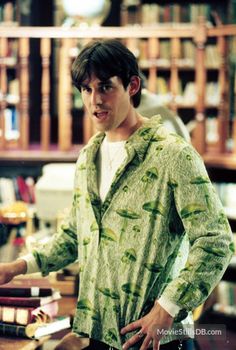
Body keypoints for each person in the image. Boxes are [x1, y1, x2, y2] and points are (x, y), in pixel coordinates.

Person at [0, 39, 234, 350]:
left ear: (132, 85)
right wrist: (15, 267)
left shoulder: (174, 154)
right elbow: (73, 236)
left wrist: (167, 308)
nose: (94, 100)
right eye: (86, 89)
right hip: (99, 337)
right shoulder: (87, 158)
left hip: (158, 341)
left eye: (105, 87)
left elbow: (216, 240)